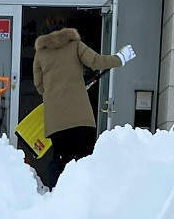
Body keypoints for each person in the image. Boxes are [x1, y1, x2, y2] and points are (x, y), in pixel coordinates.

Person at [33, 26, 136, 190]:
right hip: (80, 117)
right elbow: (96, 62)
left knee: (60, 159)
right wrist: (120, 58)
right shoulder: (75, 45)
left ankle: (55, 196)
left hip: (56, 120)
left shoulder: (41, 54)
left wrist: (55, 91)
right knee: (85, 159)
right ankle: (84, 196)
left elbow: (39, 86)